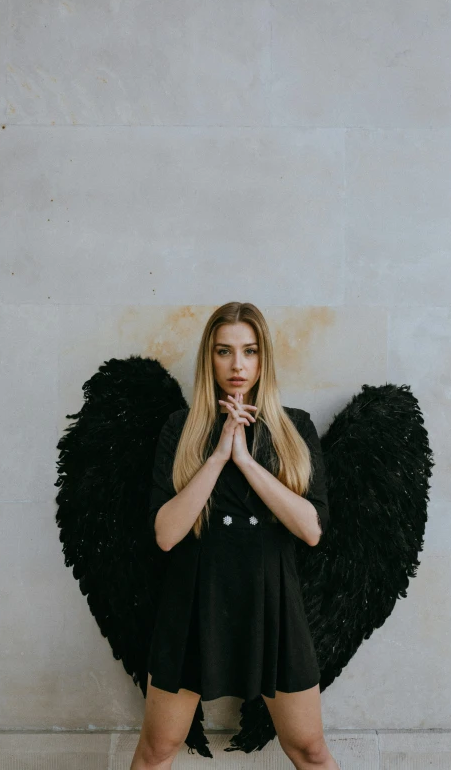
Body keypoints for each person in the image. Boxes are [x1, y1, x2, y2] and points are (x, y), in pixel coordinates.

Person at [130, 301, 340, 770]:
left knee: (310, 750)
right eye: (224, 351)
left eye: (249, 351)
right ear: (210, 358)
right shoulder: (178, 429)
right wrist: (219, 455)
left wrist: (247, 461)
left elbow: (311, 530)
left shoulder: (295, 427)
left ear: (264, 358)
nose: (238, 365)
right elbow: (165, 535)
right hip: (192, 604)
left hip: (275, 601)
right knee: (157, 750)